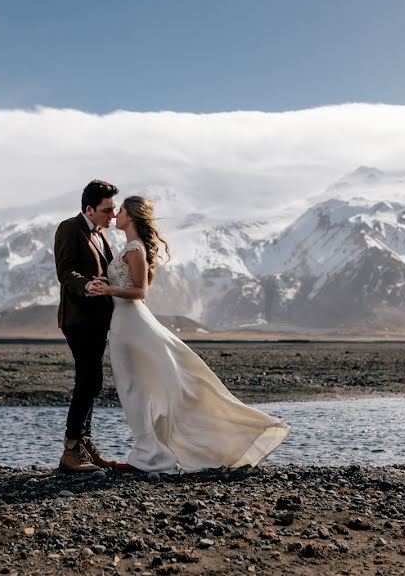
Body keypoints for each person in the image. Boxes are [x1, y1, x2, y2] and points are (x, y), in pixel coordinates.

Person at [88, 196, 289, 473]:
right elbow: (127, 285)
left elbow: (140, 292)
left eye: (120, 210)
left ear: (131, 217)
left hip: (132, 323)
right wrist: (106, 283)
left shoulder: (135, 249)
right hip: (123, 323)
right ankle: (148, 454)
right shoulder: (128, 248)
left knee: (135, 388)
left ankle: (151, 457)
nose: (116, 215)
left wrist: (109, 290)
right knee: (135, 388)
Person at [54, 179, 120, 472]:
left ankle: (84, 445)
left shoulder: (100, 235)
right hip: (79, 319)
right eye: (107, 210)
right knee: (88, 380)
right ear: (89, 209)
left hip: (98, 321)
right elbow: (65, 271)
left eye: (114, 209)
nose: (113, 216)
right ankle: (71, 449)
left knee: (93, 381)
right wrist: (86, 285)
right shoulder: (70, 228)